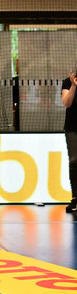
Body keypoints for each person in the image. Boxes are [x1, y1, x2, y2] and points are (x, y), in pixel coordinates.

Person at [61, 70, 77, 214]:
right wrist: (73, 86)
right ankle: (75, 198)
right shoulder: (67, 82)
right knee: (74, 161)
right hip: (73, 128)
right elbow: (67, 103)